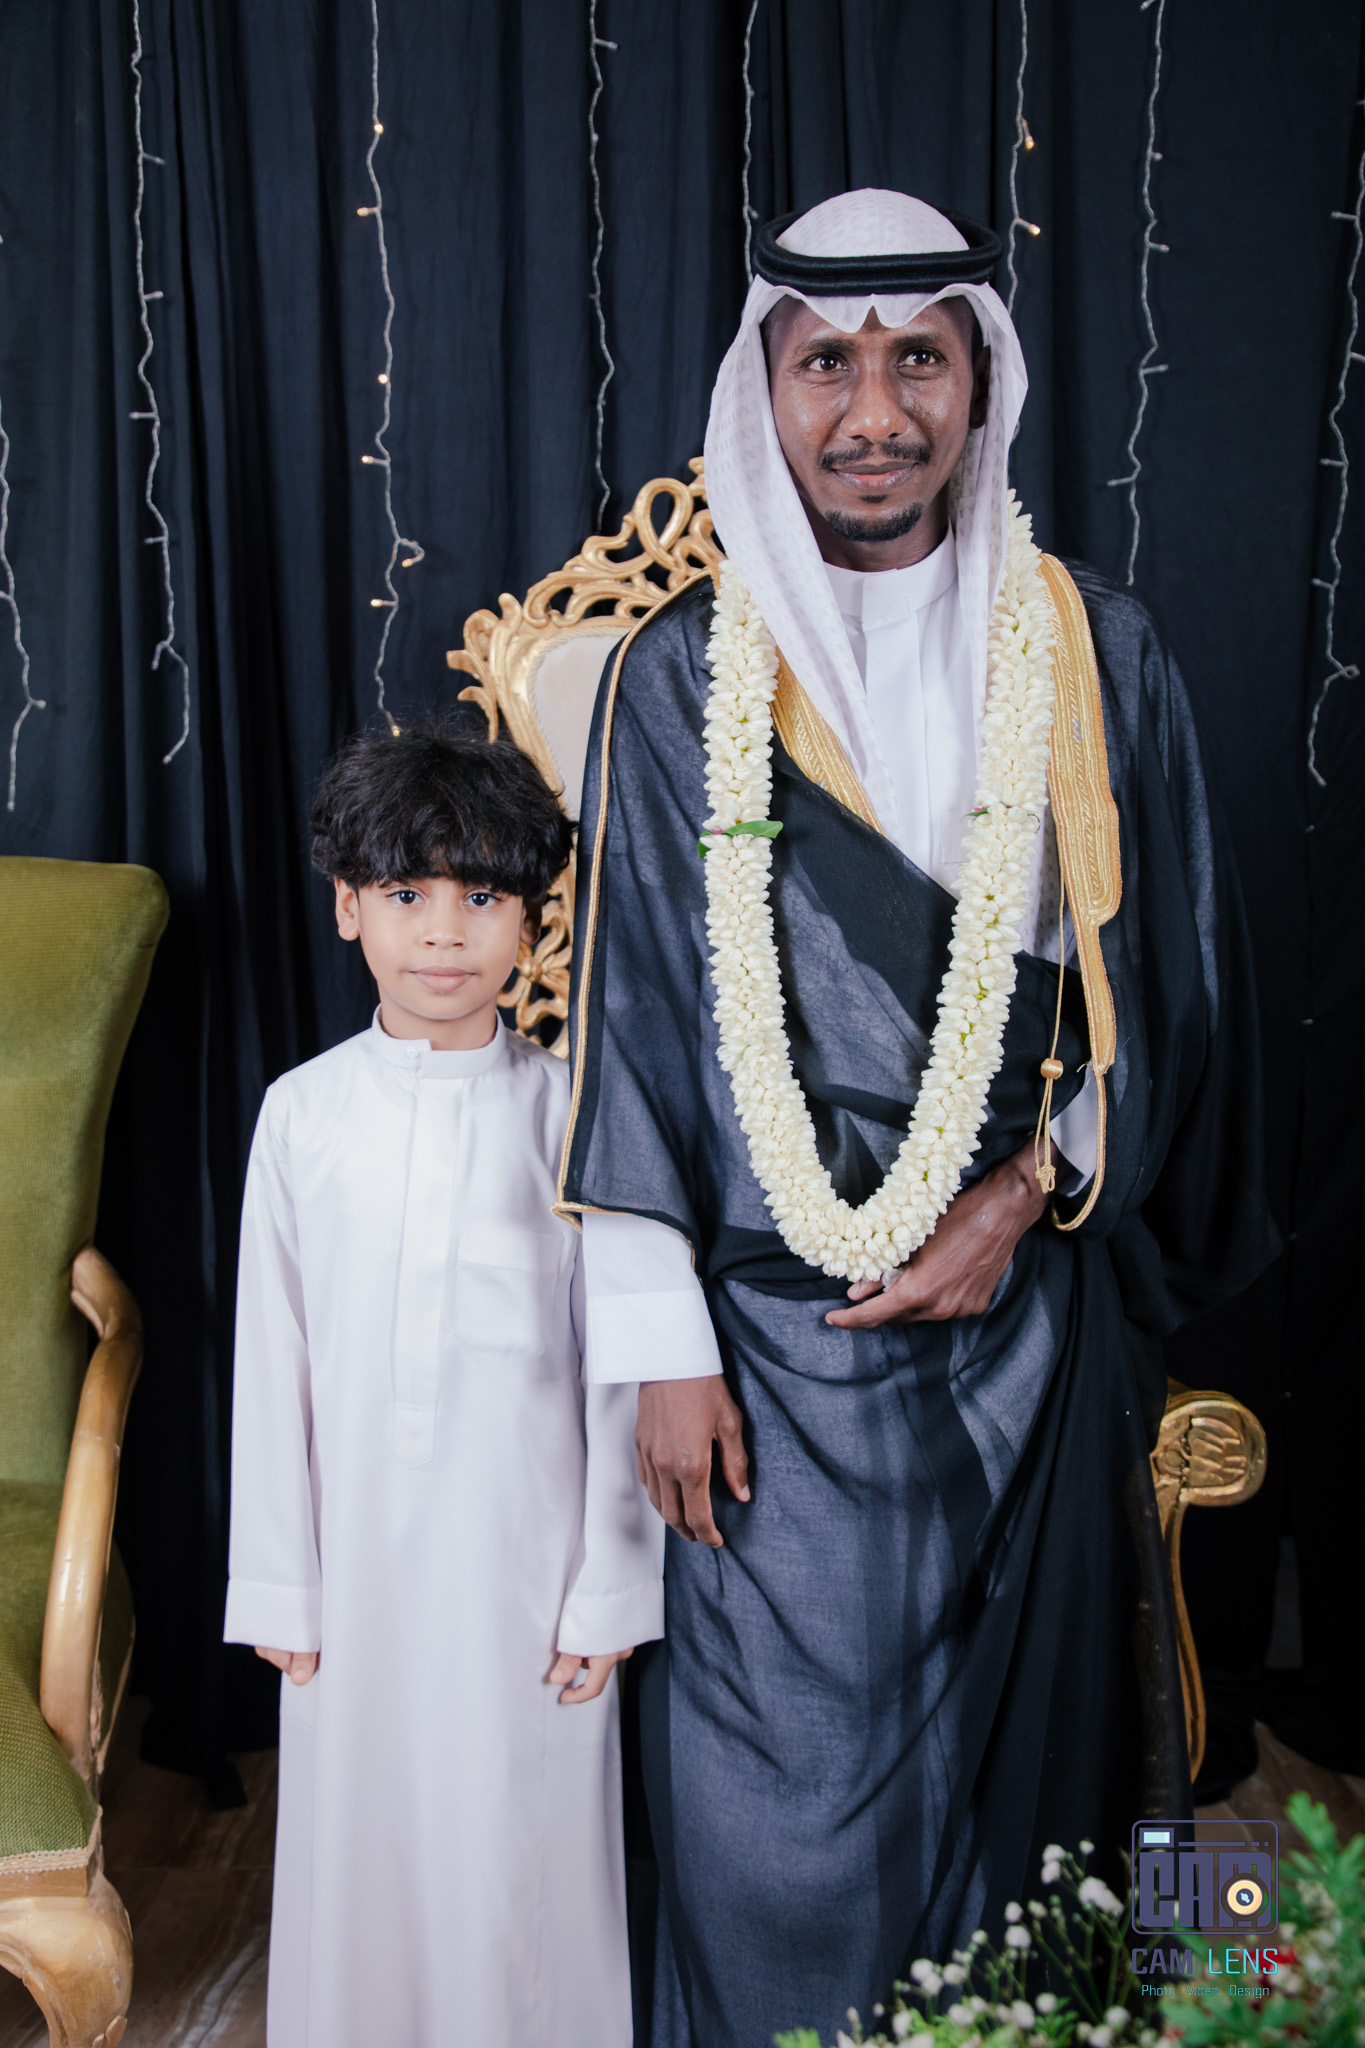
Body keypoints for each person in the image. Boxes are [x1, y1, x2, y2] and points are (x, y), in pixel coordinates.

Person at [557, 190, 1277, 2046]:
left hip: (1022, 1311)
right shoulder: (676, 678)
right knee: (761, 1830)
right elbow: (635, 1024)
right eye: (827, 364)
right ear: (766, 391)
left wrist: (1024, 1195)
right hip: (753, 1341)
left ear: (979, 383)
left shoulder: (1094, 652)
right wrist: (660, 1351)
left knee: (1040, 1804)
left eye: (917, 361)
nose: (873, 413)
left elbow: (1173, 996)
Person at [224, 722, 663, 2048]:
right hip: (350, 1582)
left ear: (531, 920)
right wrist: (279, 1582)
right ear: (347, 907)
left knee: (518, 1880)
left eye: (481, 897)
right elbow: (272, 1357)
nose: (443, 933)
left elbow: (621, 1377)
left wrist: (610, 1585)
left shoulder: (576, 1114)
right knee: (360, 1870)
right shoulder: (302, 1115)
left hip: (530, 1581)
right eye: (407, 893)